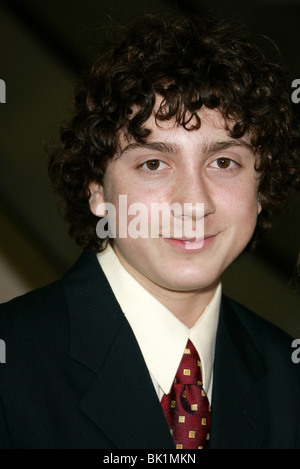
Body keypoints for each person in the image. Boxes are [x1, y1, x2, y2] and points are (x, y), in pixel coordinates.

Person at [0, 13, 299, 449]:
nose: (194, 202)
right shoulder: (12, 368)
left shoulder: (288, 379)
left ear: (260, 189)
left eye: (224, 162)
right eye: (153, 164)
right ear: (96, 190)